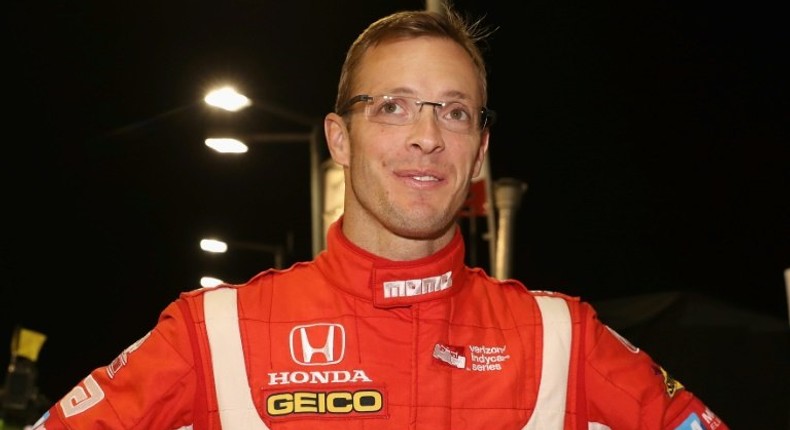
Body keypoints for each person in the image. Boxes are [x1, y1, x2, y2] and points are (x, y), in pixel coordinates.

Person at [32, 4, 729, 430]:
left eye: (454, 111)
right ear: (339, 139)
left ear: (478, 151)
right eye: (392, 106)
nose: (427, 135)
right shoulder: (209, 334)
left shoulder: (562, 338)